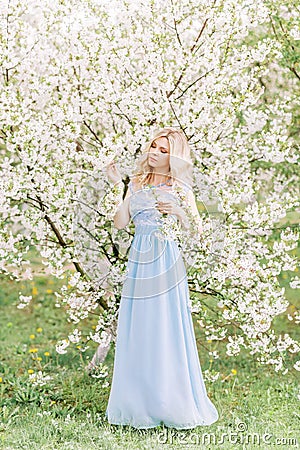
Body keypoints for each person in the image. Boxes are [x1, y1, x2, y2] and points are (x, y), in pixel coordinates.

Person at [104, 127, 219, 429]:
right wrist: (118, 186)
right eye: (154, 146)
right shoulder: (137, 182)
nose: (154, 152)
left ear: (174, 157)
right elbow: (119, 224)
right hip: (139, 261)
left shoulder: (181, 187)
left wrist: (180, 212)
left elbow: (199, 234)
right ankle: (139, 400)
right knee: (139, 327)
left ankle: (170, 400)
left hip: (166, 261)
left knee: (164, 327)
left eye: (163, 150)